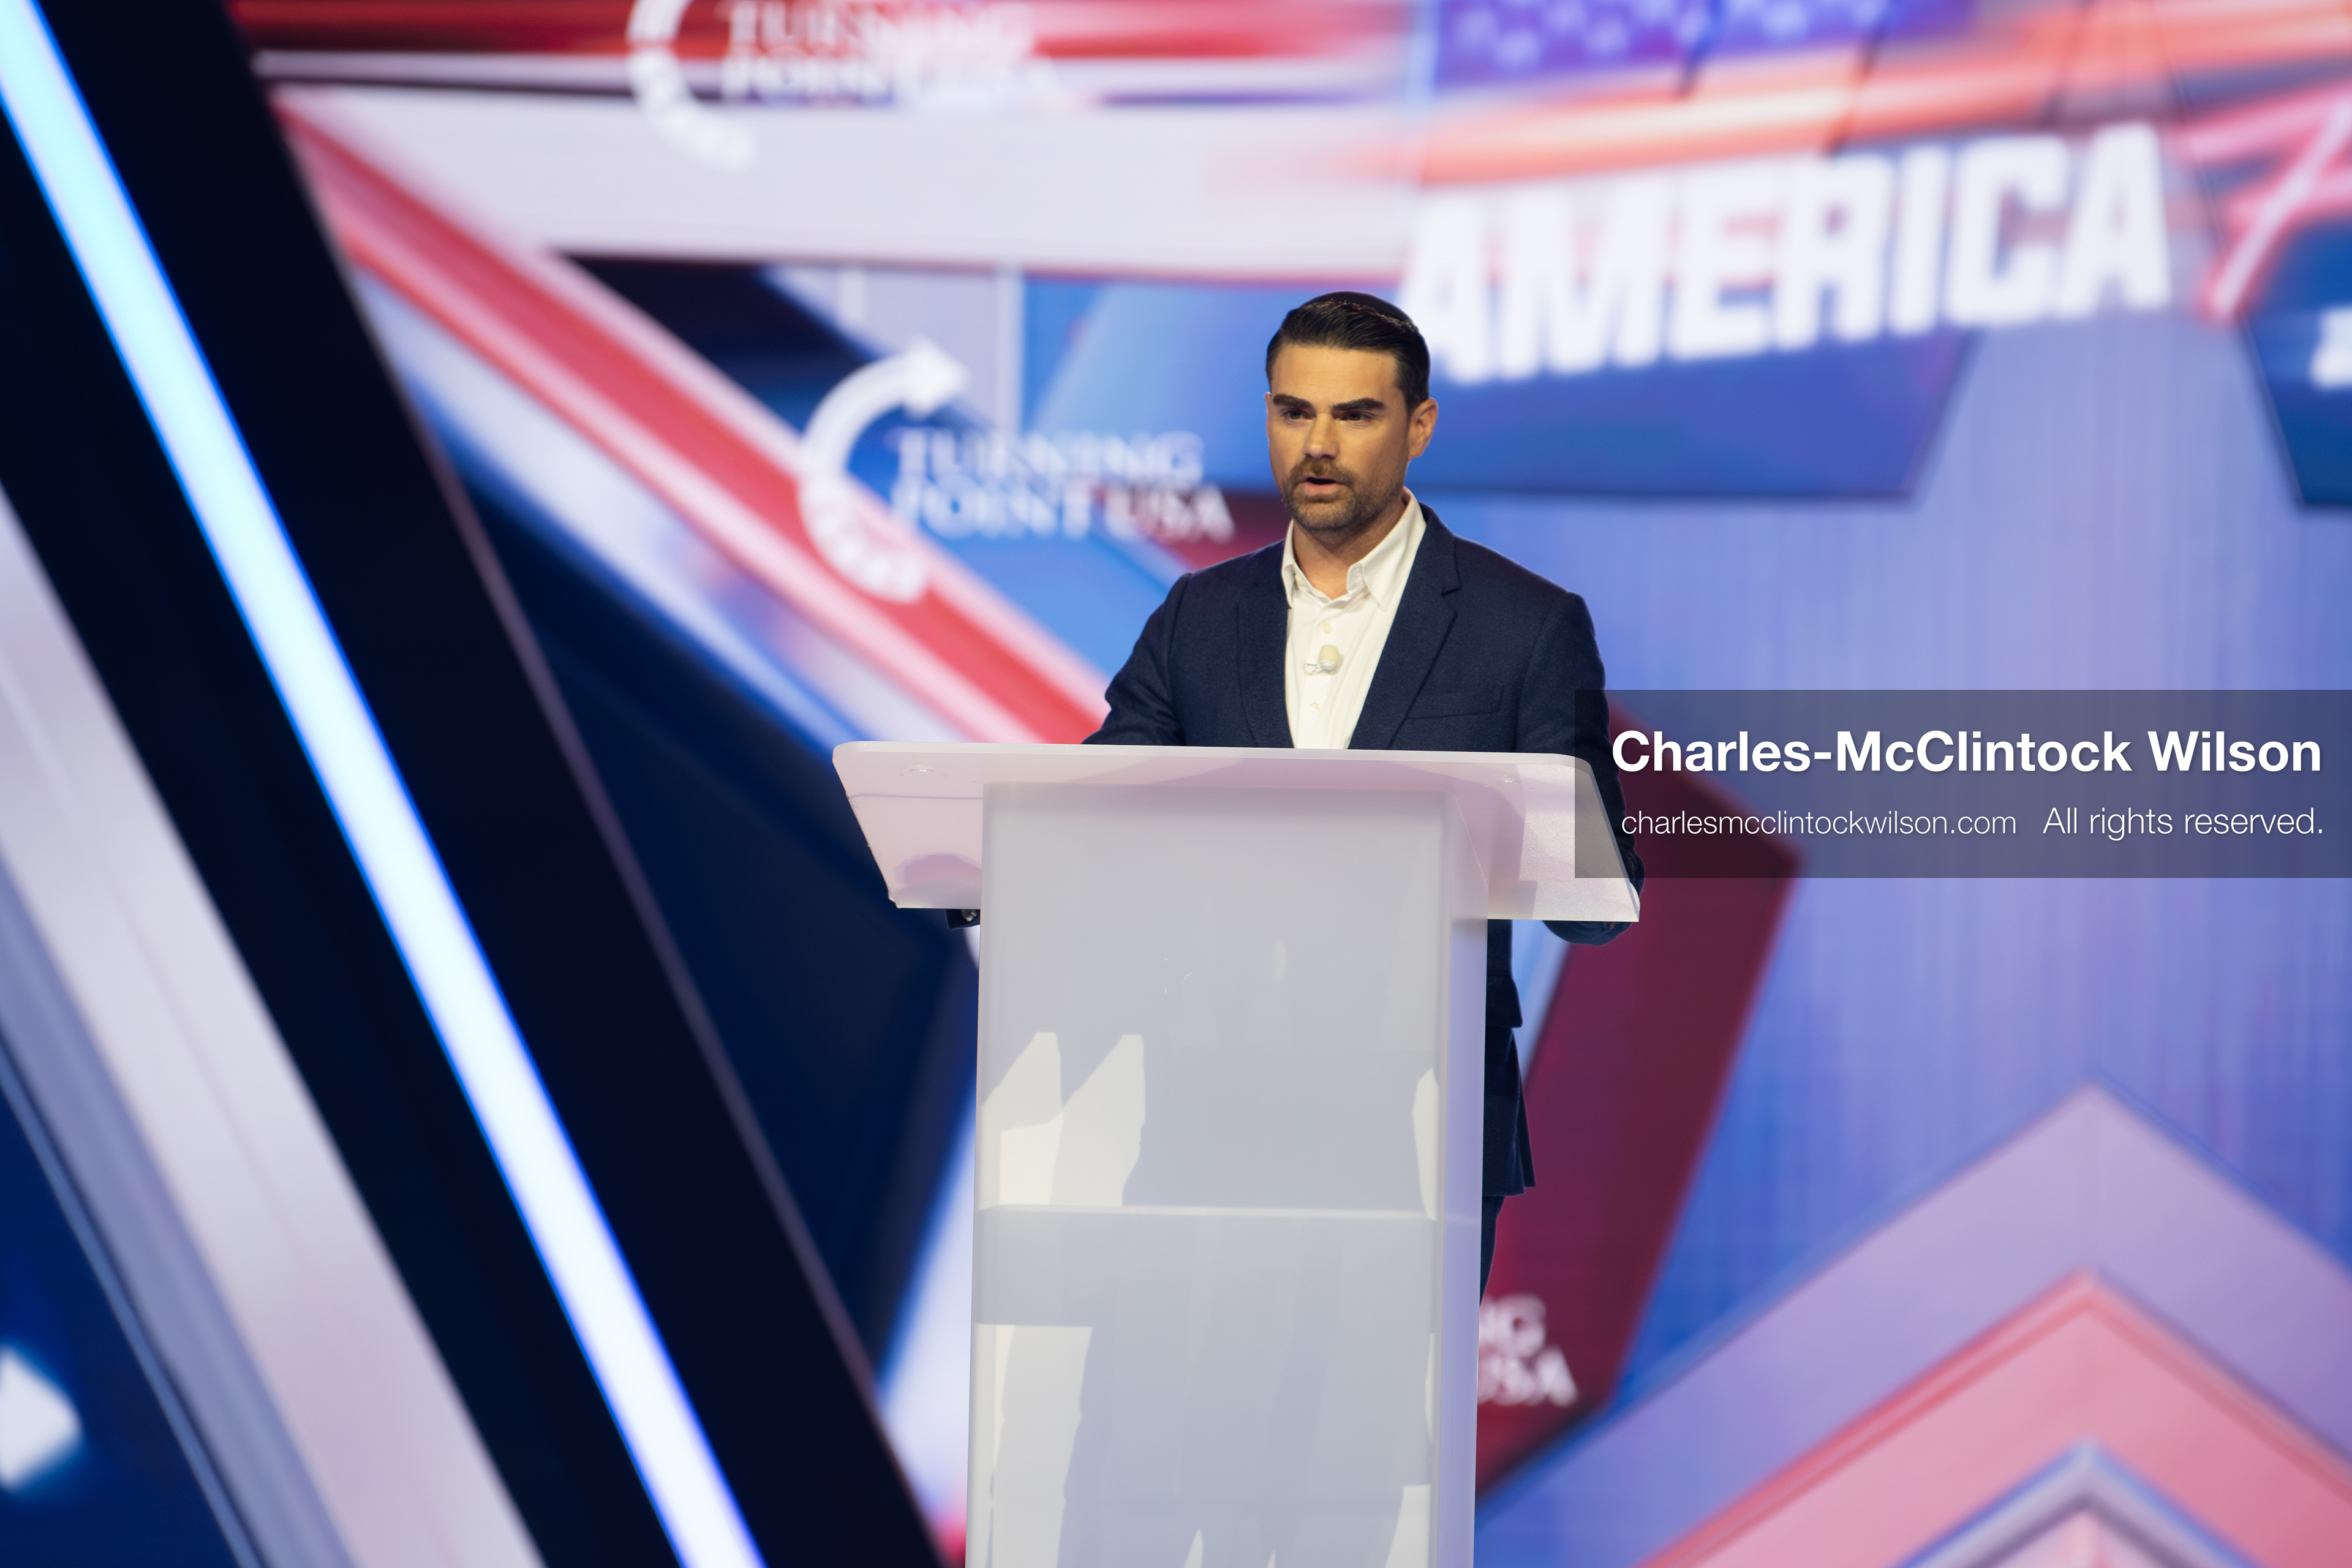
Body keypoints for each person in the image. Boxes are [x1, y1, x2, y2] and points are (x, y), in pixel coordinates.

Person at [1085, 290, 1644, 1292]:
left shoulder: (1524, 627)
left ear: (1419, 427)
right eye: (1294, 412)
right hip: (1203, 1115)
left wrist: (1546, 843)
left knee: (1384, 1447)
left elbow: (1599, 907)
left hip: (1419, 1129)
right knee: (1166, 1437)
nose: (1319, 445)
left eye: (1355, 414)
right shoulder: (1200, 617)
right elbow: (1099, 814)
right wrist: (985, 863)